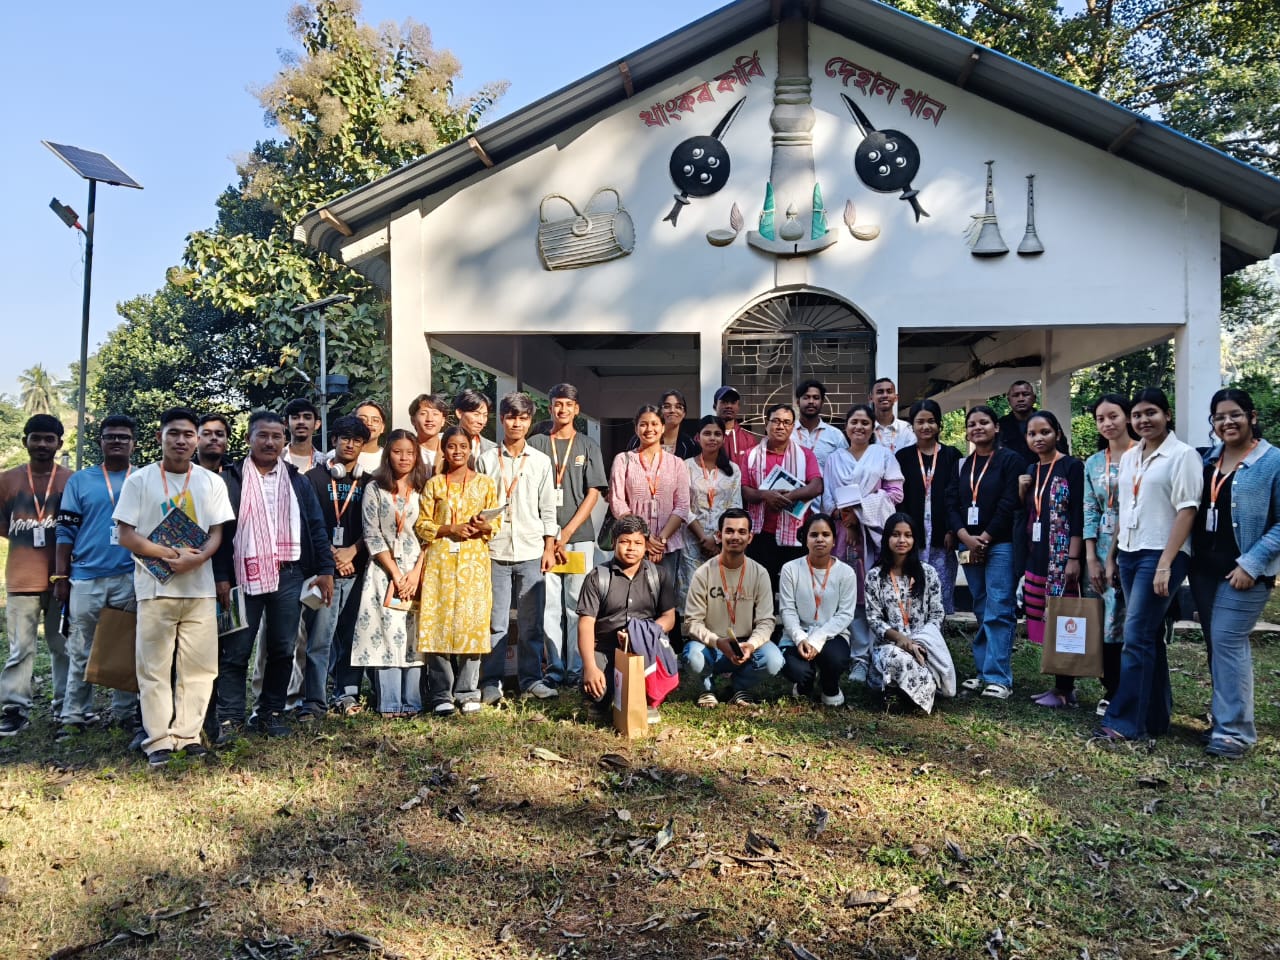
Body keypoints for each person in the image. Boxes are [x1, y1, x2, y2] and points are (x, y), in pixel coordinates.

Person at [113, 408, 234, 767]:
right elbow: (126, 535)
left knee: (200, 668)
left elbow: (217, 533)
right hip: (156, 588)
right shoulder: (140, 480)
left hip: (199, 589)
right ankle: (158, 740)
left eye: (187, 434)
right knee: (153, 668)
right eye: (173, 434)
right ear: (159, 438)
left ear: (196, 439)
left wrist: (196, 560)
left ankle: (188, 734)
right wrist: (169, 554)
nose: (181, 440)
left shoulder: (210, 482)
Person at [213, 411, 335, 741]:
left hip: (289, 574)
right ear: (249, 439)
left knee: (282, 648)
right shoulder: (231, 479)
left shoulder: (298, 481)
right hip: (241, 577)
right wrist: (221, 576)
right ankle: (230, 717)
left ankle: (270, 712)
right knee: (236, 649)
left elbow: (316, 526)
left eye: (276, 436)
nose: (270, 442)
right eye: (262, 435)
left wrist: (325, 570)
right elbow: (221, 532)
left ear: (284, 441)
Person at [1097, 388, 1203, 744]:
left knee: (1136, 636)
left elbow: (1187, 509)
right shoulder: (1131, 456)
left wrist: (1165, 564)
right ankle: (1156, 717)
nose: (1144, 420)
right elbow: (1123, 511)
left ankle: (1125, 722)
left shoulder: (1183, 455)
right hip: (1128, 551)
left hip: (1161, 554)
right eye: (1138, 414)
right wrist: (1111, 556)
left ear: (1167, 415)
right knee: (1149, 637)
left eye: (1151, 413)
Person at [1187, 388, 1280, 759]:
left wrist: (1252, 563)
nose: (1227, 422)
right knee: (1217, 642)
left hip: (1243, 571)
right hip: (1204, 570)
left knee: (1227, 641)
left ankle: (1235, 732)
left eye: (1235, 414)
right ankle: (1222, 717)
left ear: (1251, 416)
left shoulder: (1272, 461)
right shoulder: (1207, 459)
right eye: (1220, 417)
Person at [53, 415, 141, 740]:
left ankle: (124, 714)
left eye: (123, 437)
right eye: (110, 437)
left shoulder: (144, 479)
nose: (116, 441)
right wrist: (61, 575)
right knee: (80, 647)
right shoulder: (80, 481)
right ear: (100, 442)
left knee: (126, 647)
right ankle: (74, 715)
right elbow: (65, 530)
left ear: (134, 443)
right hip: (86, 576)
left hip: (131, 575)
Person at [478, 392, 559, 704]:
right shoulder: (486, 460)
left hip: (530, 549)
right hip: (494, 552)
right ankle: (490, 683)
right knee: (495, 622)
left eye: (523, 417)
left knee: (531, 624)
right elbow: (480, 506)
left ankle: (531, 680)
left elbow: (548, 510)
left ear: (529, 422)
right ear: (502, 419)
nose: (516, 423)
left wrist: (549, 548)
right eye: (511, 416)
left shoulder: (540, 462)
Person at [528, 383, 607, 690]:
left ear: (577, 409)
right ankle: (555, 668)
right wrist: (551, 536)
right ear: (550, 408)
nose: (562, 409)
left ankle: (576, 667)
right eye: (557, 404)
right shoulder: (535, 443)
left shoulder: (588, 446)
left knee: (577, 605)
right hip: (543, 540)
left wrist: (569, 531)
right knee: (549, 605)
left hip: (579, 538)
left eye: (568, 405)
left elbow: (593, 493)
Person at [417, 426, 501, 714]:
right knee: (437, 623)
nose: (457, 451)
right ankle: (441, 693)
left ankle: (467, 691)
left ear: (471, 449)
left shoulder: (486, 484)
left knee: (472, 622)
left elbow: (497, 523)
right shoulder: (434, 485)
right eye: (452, 446)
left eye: (463, 446)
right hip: (440, 560)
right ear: (444, 449)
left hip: (474, 561)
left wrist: (484, 525)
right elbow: (422, 524)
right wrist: (449, 528)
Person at [0, 414, 72, 736]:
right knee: (21, 648)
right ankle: (15, 708)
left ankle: (64, 706)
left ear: (59, 443)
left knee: (62, 646)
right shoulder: (6, 480)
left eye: (49, 439)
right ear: (25, 440)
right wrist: (27, 534)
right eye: (36, 437)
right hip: (21, 578)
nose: (42, 444)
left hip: (62, 578)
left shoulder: (71, 480)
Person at [822, 404, 904, 683]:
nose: (859, 427)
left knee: (875, 595)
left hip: (876, 534)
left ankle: (879, 654)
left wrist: (859, 513)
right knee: (851, 596)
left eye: (865, 423)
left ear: (872, 428)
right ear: (846, 426)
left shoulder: (882, 456)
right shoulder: (834, 459)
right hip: (843, 535)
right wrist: (847, 519)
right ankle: (857, 657)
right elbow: (828, 498)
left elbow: (895, 493)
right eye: (854, 422)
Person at [947, 405, 1022, 700]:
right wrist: (966, 536)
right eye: (972, 424)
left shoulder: (1009, 460)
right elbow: (951, 502)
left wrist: (986, 537)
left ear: (996, 427)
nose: (977, 428)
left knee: (999, 605)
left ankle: (999, 677)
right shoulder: (963, 465)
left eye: (984, 422)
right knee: (980, 604)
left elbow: (1009, 502)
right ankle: (982, 672)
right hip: (969, 543)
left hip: (1000, 543)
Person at [300, 415, 371, 721]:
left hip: (358, 569)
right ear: (333, 441)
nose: (350, 444)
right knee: (320, 638)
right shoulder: (312, 479)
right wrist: (333, 556)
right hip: (325, 572)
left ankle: (347, 692)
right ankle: (314, 701)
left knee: (351, 635)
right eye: (345, 438)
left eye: (357, 440)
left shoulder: (369, 483)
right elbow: (306, 524)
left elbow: (374, 527)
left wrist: (352, 551)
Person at [350, 430, 426, 717]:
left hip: (418, 569)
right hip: (384, 570)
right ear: (388, 454)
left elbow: (430, 534)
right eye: (397, 451)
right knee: (385, 633)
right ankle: (391, 702)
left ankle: (413, 701)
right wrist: (395, 573)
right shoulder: (374, 487)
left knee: (413, 634)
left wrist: (416, 574)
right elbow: (371, 533)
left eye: (409, 452)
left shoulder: (424, 487)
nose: (404, 457)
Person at [577, 513, 677, 723]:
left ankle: (647, 701)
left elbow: (669, 617)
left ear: (646, 545)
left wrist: (642, 633)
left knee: (651, 676)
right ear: (614, 543)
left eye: (638, 543)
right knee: (598, 690)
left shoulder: (659, 575)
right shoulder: (597, 577)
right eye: (625, 542)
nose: (631, 548)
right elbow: (586, 624)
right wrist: (589, 667)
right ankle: (599, 702)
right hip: (605, 648)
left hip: (644, 648)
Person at [1017, 411, 1086, 708]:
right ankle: (1059, 686)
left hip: (1061, 559)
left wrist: (1074, 556)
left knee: (1063, 618)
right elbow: (1030, 511)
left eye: (1044, 431)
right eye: (1032, 434)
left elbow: (1079, 514)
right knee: (1045, 620)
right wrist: (1022, 490)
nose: (1038, 438)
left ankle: (1064, 690)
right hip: (1037, 555)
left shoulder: (1071, 467)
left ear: (1057, 433)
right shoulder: (1031, 469)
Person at [681, 508, 783, 707]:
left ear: (750, 537)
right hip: (712, 644)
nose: (735, 536)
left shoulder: (760, 573)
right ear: (719, 536)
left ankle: (739, 688)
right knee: (693, 656)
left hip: (745, 645)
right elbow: (692, 622)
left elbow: (766, 621)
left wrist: (751, 645)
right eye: (729, 531)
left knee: (774, 660)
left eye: (741, 532)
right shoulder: (703, 573)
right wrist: (718, 642)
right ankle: (707, 689)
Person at [865, 513, 955, 713]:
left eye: (908, 535)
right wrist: (901, 639)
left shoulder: (928, 573)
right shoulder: (875, 576)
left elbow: (937, 614)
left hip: (924, 645)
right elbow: (874, 618)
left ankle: (909, 694)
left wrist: (919, 643)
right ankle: (901, 695)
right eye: (896, 535)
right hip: (890, 646)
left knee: (926, 667)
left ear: (915, 540)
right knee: (896, 658)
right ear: (887, 538)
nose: (902, 540)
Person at [1083, 394, 1136, 718]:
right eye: (1101, 418)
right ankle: (1110, 687)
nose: (1108, 423)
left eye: (1113, 416)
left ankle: (1128, 689)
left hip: (1131, 545)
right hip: (1099, 548)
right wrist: (1091, 556)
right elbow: (1090, 508)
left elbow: (1129, 507)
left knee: (1129, 619)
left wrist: (1113, 556)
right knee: (1104, 620)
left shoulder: (1140, 457)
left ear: (1127, 417)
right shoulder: (1092, 462)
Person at [740, 403, 823, 592]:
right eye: (776, 421)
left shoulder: (805, 455)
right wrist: (765, 495)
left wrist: (789, 497)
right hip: (761, 535)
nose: (781, 426)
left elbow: (817, 486)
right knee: (761, 589)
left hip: (796, 534)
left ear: (793, 427)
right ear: (766, 424)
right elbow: (745, 490)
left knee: (795, 589)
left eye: (787, 422)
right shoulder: (751, 455)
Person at [778, 513, 857, 707]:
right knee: (797, 669)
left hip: (831, 636)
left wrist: (817, 639)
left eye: (826, 534)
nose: (820, 539)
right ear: (805, 539)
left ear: (833, 540)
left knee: (835, 660)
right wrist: (800, 638)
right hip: (798, 635)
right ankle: (804, 683)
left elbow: (845, 614)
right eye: (814, 535)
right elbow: (787, 610)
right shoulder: (790, 569)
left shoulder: (846, 573)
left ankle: (830, 686)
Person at [609, 405, 691, 588]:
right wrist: (643, 538)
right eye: (643, 424)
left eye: (655, 424)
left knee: (665, 601)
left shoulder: (677, 464)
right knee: (632, 598)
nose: (649, 429)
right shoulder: (623, 460)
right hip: (632, 545)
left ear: (663, 427)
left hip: (667, 546)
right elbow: (617, 502)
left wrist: (660, 540)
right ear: (636, 428)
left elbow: (683, 505)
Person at [897, 399, 962, 614]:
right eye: (920, 422)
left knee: (940, 591)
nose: (926, 427)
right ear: (912, 426)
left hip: (942, 534)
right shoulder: (903, 457)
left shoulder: (952, 455)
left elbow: (958, 495)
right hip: (913, 534)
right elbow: (900, 499)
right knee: (912, 589)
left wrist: (953, 530)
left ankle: (938, 638)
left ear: (939, 424)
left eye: (931, 421)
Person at [681, 415, 743, 604]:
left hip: (722, 544)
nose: (712, 438)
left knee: (721, 595)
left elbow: (735, 507)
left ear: (724, 439)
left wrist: (716, 539)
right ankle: (693, 635)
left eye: (717, 434)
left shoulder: (733, 470)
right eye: (707, 433)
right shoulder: (686, 467)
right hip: (692, 542)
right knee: (694, 595)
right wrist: (703, 538)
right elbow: (683, 506)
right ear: (698, 437)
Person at [997, 380, 1067, 467]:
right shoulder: (1001, 425)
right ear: (1009, 400)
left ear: (1034, 398)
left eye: (1025, 394)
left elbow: (1062, 450)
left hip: (1045, 473)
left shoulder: (1047, 421)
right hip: (1013, 476)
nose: (1021, 399)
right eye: (1016, 395)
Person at [627, 390, 699, 458]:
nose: (672, 410)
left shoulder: (690, 444)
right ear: (659, 412)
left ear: (684, 413)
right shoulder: (638, 440)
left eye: (678, 407)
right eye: (667, 406)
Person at [794, 379, 848, 468]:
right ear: (798, 402)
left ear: (822, 402)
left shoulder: (836, 435)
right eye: (806, 397)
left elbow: (845, 467)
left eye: (816, 398)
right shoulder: (788, 433)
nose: (811, 401)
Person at [713, 385, 757, 469]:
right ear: (715, 406)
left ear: (738, 407)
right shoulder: (704, 437)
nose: (729, 406)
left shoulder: (749, 440)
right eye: (724, 402)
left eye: (733, 402)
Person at [454, 389, 498, 469]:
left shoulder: (493, 449)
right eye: (476, 414)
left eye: (485, 415)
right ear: (459, 413)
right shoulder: (440, 442)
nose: (481, 421)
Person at [869, 378, 915, 452]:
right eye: (880, 392)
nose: (885, 395)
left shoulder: (906, 429)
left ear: (896, 398)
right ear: (871, 398)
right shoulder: (865, 429)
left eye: (889, 391)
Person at [409, 393, 450, 471]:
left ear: (443, 421)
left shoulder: (450, 450)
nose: (430, 419)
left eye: (435, 414)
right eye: (423, 413)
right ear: (413, 420)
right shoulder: (408, 452)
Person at [284, 398, 327, 471]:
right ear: (286, 424)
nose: (301, 422)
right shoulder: (276, 459)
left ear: (317, 424)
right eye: (295, 417)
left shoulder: (325, 462)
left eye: (307, 418)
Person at [353, 399, 389, 474]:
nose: (369, 423)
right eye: (362, 419)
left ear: (382, 427)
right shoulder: (336, 455)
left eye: (375, 420)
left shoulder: (389, 459)